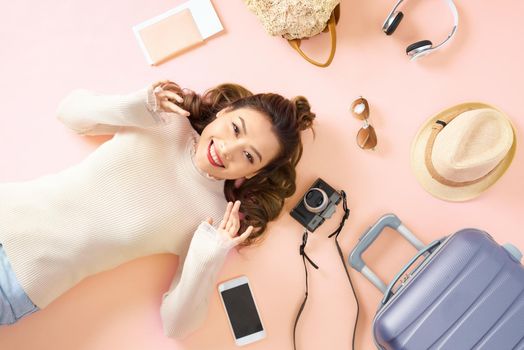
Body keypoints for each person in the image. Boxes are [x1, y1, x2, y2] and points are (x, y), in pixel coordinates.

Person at [0, 80, 315, 338]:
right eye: (235, 129)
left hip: (20, 280)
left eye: (249, 156)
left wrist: (211, 254)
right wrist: (137, 105)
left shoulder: (214, 217)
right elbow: (68, 112)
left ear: (256, 173)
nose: (227, 149)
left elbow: (177, 326)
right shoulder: (165, 117)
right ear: (226, 112)